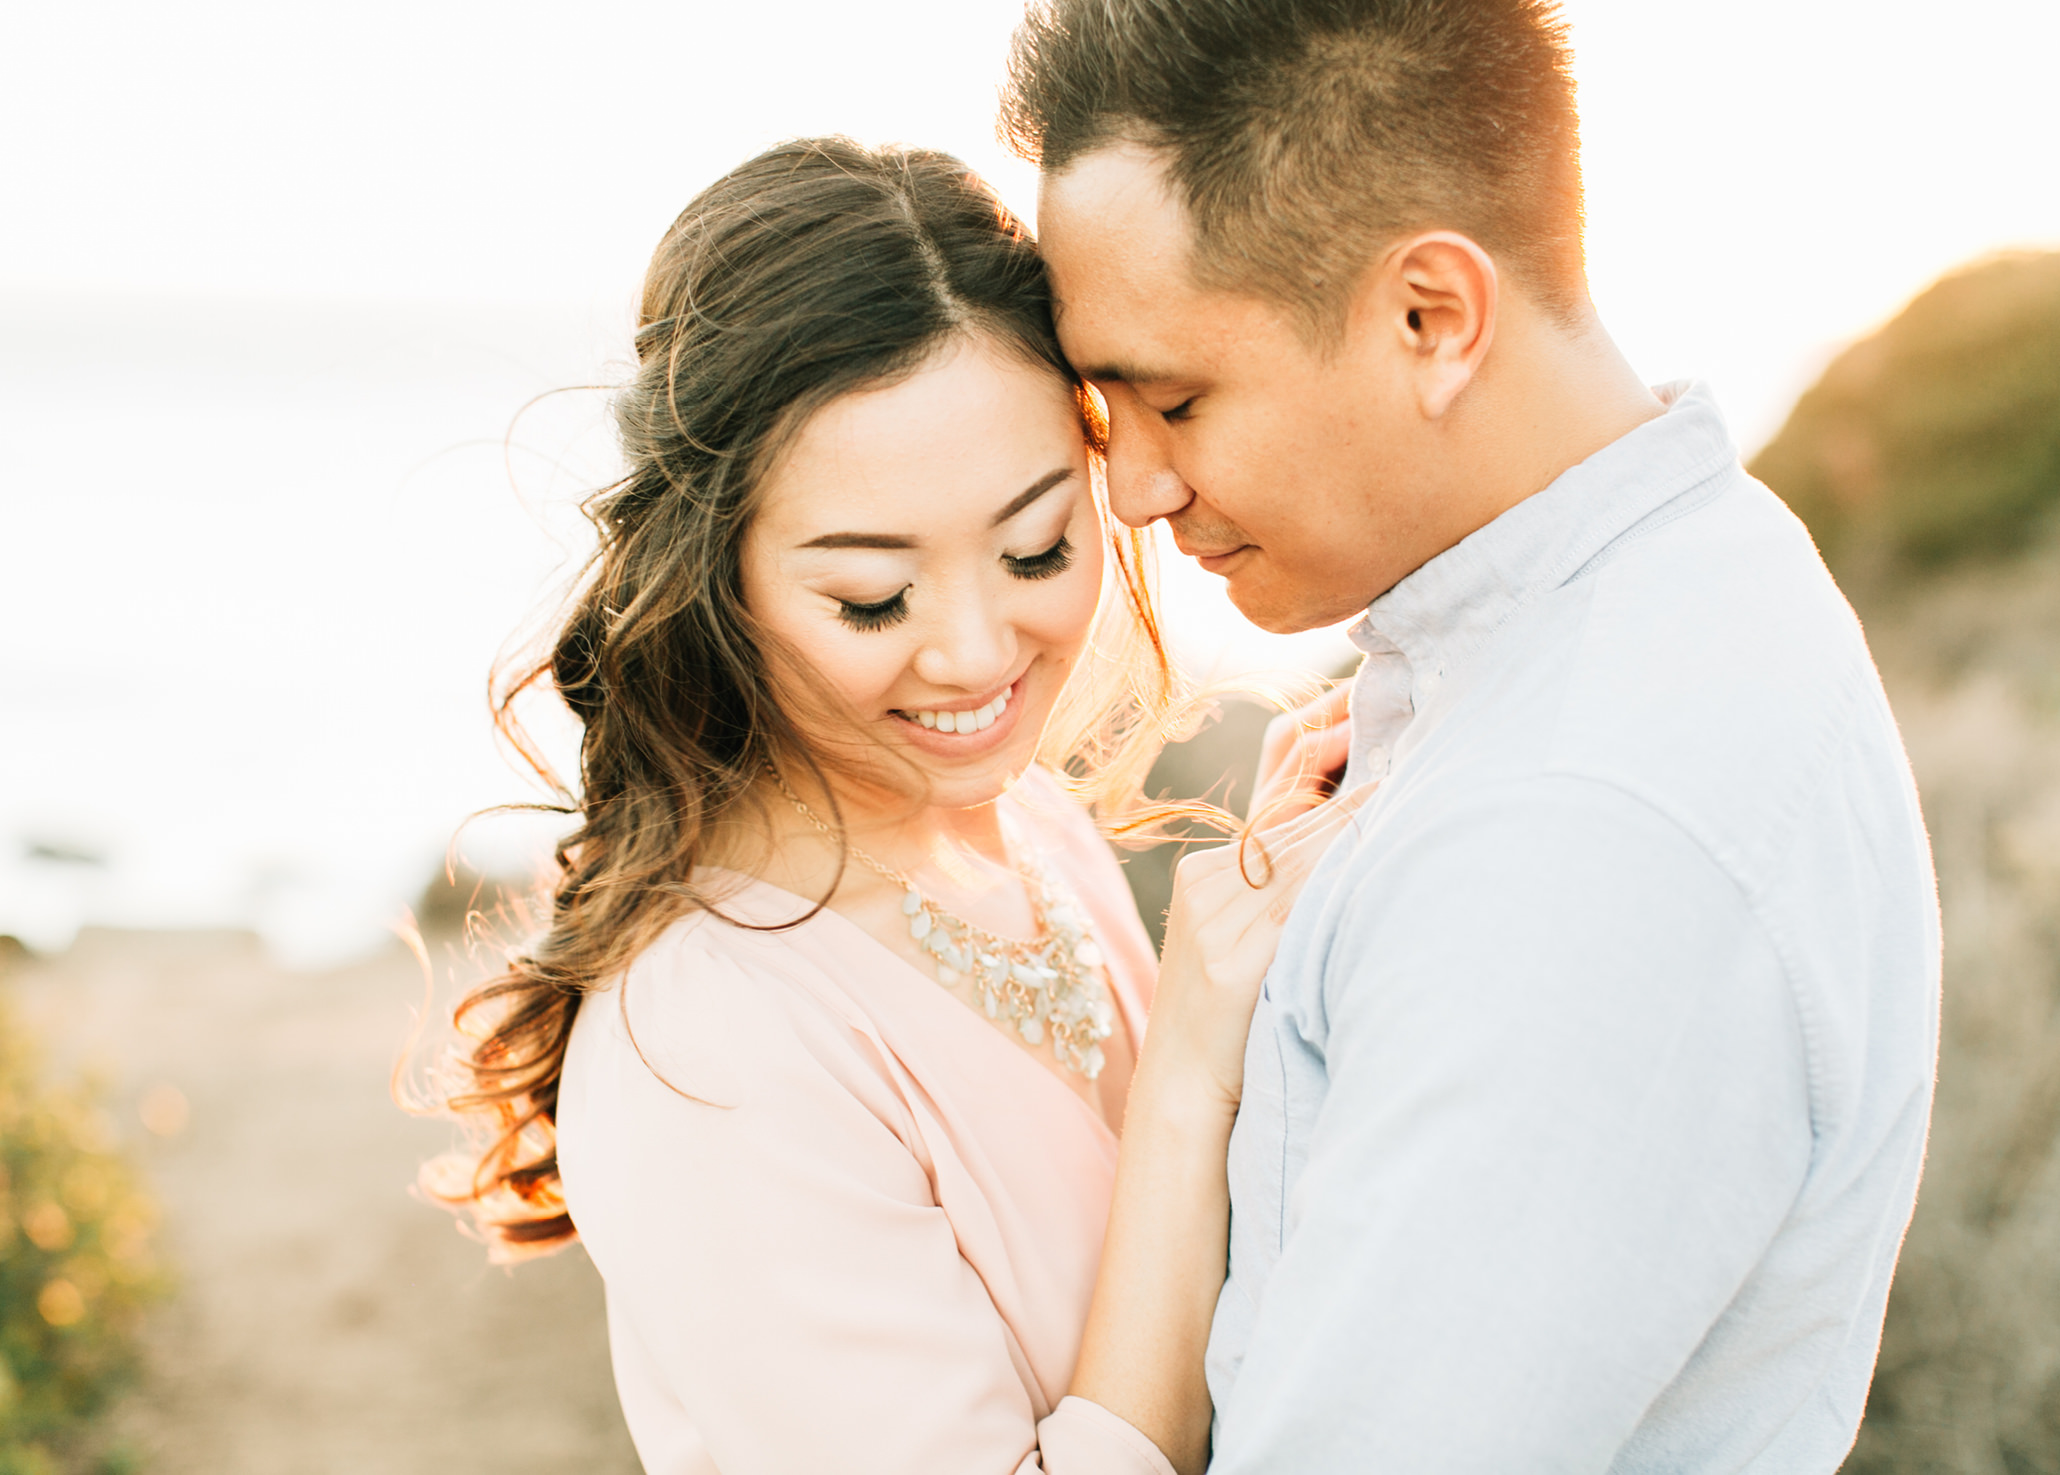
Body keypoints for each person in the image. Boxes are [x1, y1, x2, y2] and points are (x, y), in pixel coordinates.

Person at [1001, 1, 1942, 1470]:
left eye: (1174, 399)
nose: (1133, 493)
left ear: (1432, 317)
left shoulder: (1581, 835)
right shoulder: (1678, 592)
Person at [425, 138, 1359, 1475]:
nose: (977, 655)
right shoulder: (709, 1043)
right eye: (873, 596)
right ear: (719, 575)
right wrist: (1194, 1064)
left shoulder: (1030, 828)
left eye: (1037, 546)